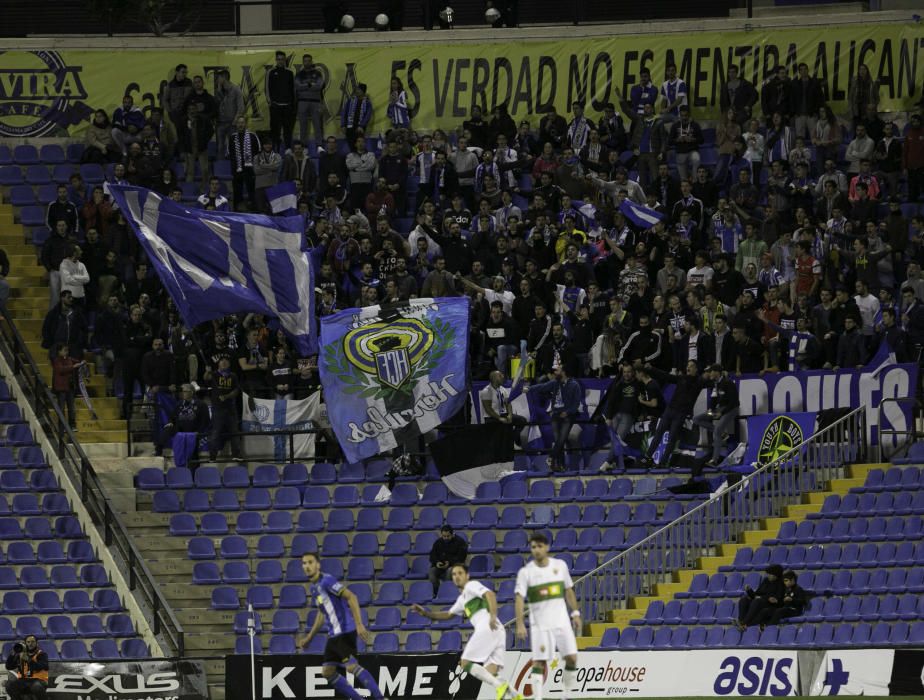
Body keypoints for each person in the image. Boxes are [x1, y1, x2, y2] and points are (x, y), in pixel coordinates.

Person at [412, 563, 519, 700]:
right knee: (491, 673)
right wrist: (426, 614)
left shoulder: (471, 586)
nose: (457, 577)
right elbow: (448, 615)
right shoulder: (462, 599)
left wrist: (492, 615)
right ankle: (516, 696)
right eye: (454, 574)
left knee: (465, 663)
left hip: (488, 626)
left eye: (460, 573)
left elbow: (490, 594)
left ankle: (500, 686)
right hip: (497, 630)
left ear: (467, 575)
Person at [296, 553, 384, 700]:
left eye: (310, 562)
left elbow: (351, 596)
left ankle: (380, 698)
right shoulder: (314, 588)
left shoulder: (327, 581)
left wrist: (359, 624)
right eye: (304, 563)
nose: (307, 566)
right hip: (333, 635)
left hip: (344, 631)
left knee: (351, 667)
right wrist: (309, 637)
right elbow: (322, 614)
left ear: (318, 565)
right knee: (328, 672)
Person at [514, 533, 581, 700]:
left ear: (547, 547)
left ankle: (566, 695)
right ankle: (538, 698)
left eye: (539, 546)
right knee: (539, 661)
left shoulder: (560, 566)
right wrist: (520, 623)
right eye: (533, 547)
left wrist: (576, 613)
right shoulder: (526, 572)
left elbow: (568, 590)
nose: (536, 550)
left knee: (572, 658)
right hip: (540, 625)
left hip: (561, 622)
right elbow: (519, 598)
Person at [524, 362, 581, 471]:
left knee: (561, 439)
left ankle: (551, 458)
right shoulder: (555, 383)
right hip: (555, 415)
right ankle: (560, 465)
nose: (555, 372)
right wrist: (529, 388)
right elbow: (542, 387)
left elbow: (576, 403)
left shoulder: (575, 385)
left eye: (558, 370)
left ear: (564, 372)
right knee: (558, 441)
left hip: (567, 417)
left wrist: (568, 412)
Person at [692, 364, 739, 467]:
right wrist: (711, 411)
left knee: (717, 431)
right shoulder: (715, 383)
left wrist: (721, 413)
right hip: (719, 409)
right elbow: (714, 399)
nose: (709, 373)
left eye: (711, 371)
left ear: (717, 372)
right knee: (696, 419)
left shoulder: (728, 383)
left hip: (731, 410)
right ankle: (723, 434)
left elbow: (734, 402)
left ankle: (714, 460)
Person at [206, 356, 243, 462]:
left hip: (231, 408)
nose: (224, 363)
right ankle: (212, 456)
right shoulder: (214, 375)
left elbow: (236, 390)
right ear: (218, 364)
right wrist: (207, 372)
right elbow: (206, 378)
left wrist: (226, 396)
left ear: (229, 364)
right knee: (215, 432)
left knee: (234, 432)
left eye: (226, 361)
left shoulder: (233, 376)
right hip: (217, 408)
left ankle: (236, 454)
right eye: (222, 361)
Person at [737, 564, 785, 630]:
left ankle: (744, 623)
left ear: (776, 575)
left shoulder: (781, 584)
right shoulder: (766, 581)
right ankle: (741, 621)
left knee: (757, 601)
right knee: (744, 599)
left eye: (770, 574)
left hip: (770, 605)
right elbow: (756, 594)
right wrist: (749, 590)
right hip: (760, 601)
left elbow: (779, 599)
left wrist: (770, 599)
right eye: (767, 574)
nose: (768, 576)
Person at [265, 50, 296, 151]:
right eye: (278, 59)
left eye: (282, 59)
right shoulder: (271, 72)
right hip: (275, 106)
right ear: (276, 60)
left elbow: (293, 89)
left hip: (287, 106)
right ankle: (275, 148)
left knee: (288, 129)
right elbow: (267, 88)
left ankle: (287, 148)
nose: (280, 61)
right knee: (275, 129)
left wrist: (292, 104)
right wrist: (270, 102)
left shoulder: (290, 72)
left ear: (285, 60)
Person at [428, 524, 468, 596]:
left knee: (450, 571)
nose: (446, 538)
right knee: (432, 572)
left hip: (454, 566)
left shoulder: (460, 542)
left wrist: (449, 563)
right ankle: (437, 592)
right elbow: (432, 555)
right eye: (444, 536)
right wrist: (437, 562)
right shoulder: (438, 542)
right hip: (440, 566)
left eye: (448, 536)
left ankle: (446, 591)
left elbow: (461, 558)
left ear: (452, 534)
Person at [294, 54, 325, 145]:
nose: (307, 62)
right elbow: (298, 86)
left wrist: (306, 86)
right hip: (302, 102)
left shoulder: (318, 73)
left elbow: (319, 86)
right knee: (303, 126)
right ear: (303, 62)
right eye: (305, 61)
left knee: (317, 125)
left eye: (309, 61)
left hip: (315, 102)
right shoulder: (299, 74)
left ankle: (319, 145)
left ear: (311, 62)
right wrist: (309, 85)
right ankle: (303, 146)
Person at [4, 635, 48, 700]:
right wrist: (12, 654)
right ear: (25, 643)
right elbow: (9, 666)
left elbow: (42, 666)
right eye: (28, 642)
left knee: (36, 686)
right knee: (9, 685)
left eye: (33, 642)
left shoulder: (41, 654)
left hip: (39, 680)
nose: (30, 644)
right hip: (24, 681)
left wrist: (28, 659)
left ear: (36, 643)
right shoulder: (20, 654)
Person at [51, 343, 84, 430]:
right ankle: (62, 426)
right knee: (61, 408)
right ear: (59, 351)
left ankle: (72, 425)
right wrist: (73, 366)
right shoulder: (56, 360)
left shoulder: (69, 359)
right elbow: (61, 369)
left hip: (70, 387)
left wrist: (81, 363)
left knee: (71, 408)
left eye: (67, 350)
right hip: (61, 388)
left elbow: (77, 362)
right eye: (64, 350)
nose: (66, 352)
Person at [215, 69, 244, 158]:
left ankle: (234, 167)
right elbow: (217, 106)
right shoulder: (219, 91)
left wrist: (235, 120)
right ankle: (220, 168)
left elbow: (241, 107)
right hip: (220, 123)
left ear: (224, 77)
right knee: (220, 147)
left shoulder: (235, 89)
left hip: (232, 123)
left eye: (218, 78)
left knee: (233, 147)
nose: (217, 80)